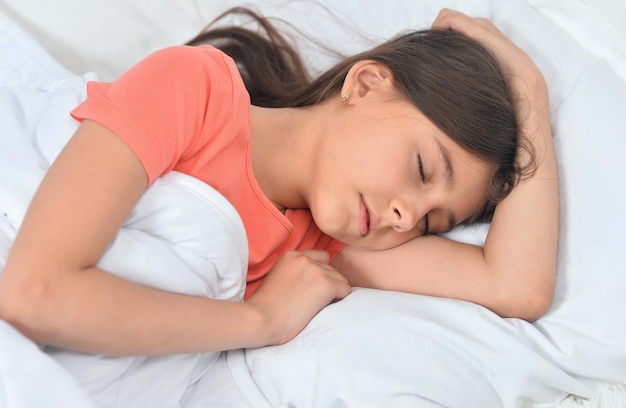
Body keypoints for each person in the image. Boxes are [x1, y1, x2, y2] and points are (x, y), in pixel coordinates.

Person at [0, 8, 557, 356]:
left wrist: (530, 91)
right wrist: (259, 321)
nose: (406, 217)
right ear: (365, 85)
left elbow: (517, 288)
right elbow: (33, 293)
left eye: (433, 222)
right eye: (421, 170)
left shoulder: (319, 252)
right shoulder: (196, 91)